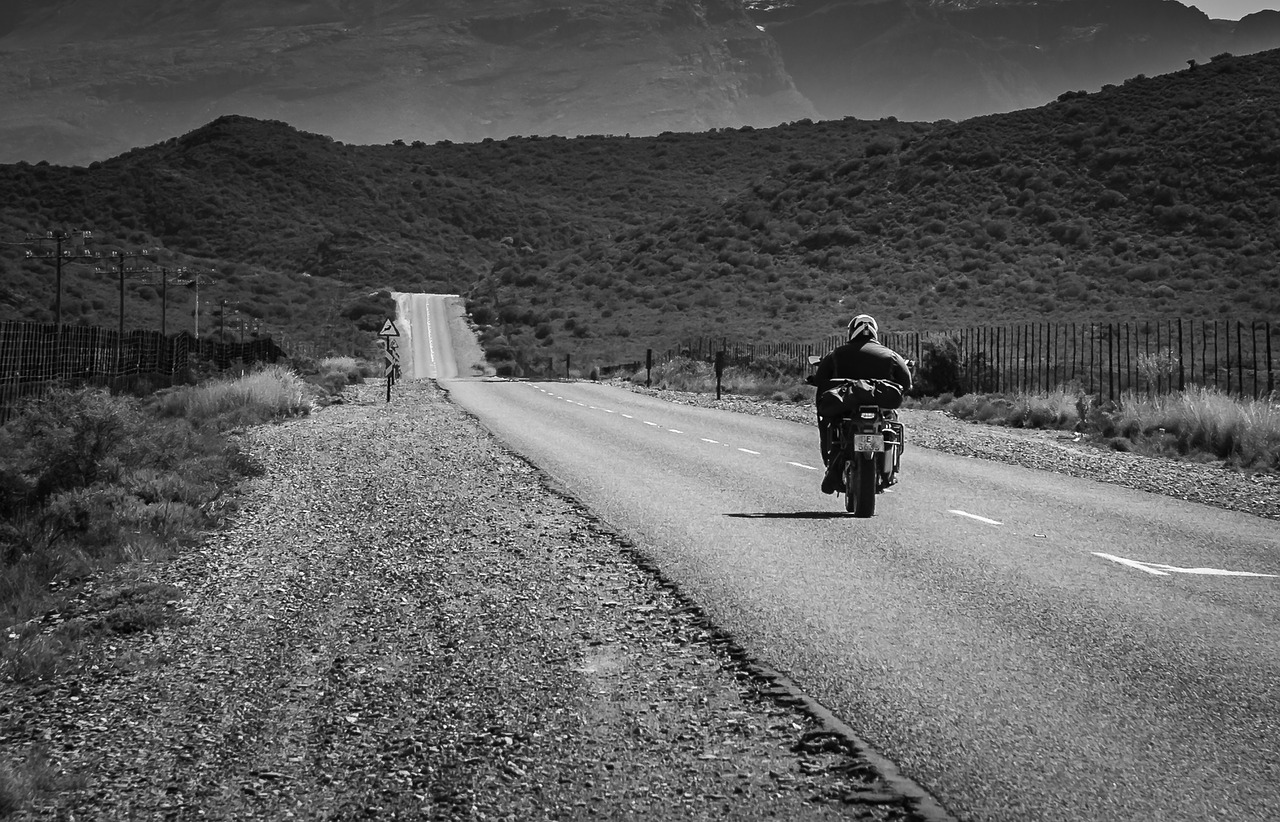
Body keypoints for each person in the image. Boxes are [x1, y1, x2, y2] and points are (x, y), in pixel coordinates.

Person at [811, 314, 913, 494]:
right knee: (892, 423)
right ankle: (888, 469)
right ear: (874, 331)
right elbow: (907, 383)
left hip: (846, 407)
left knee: (830, 424)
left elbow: (820, 380)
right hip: (880, 408)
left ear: (851, 331)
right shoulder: (891, 355)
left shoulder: (836, 354)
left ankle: (832, 468)